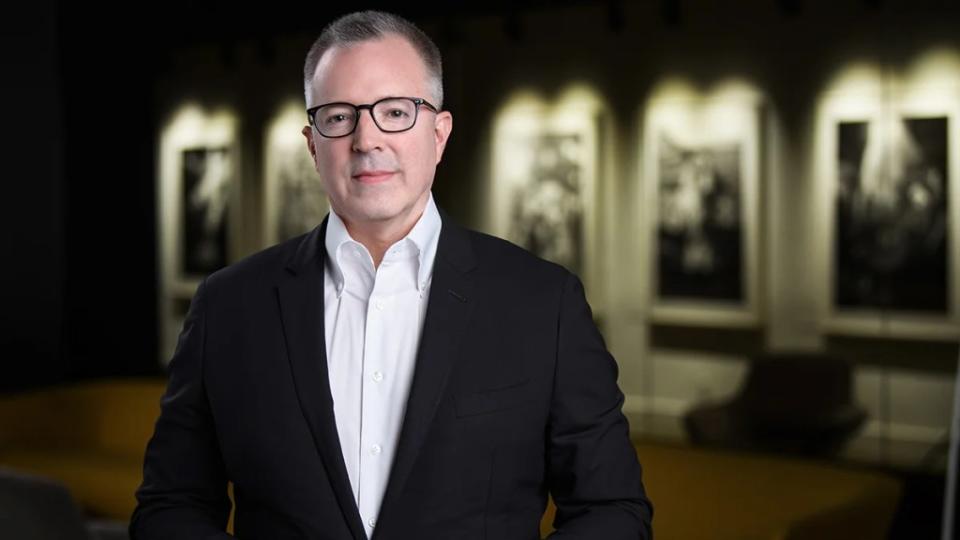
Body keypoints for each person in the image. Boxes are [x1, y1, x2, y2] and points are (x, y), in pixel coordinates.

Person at [131, 10, 652, 540]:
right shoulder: (229, 306)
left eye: (397, 112)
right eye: (338, 117)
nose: (366, 139)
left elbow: (611, 510)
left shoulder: (544, 303)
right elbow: (171, 506)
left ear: (439, 134)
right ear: (313, 144)